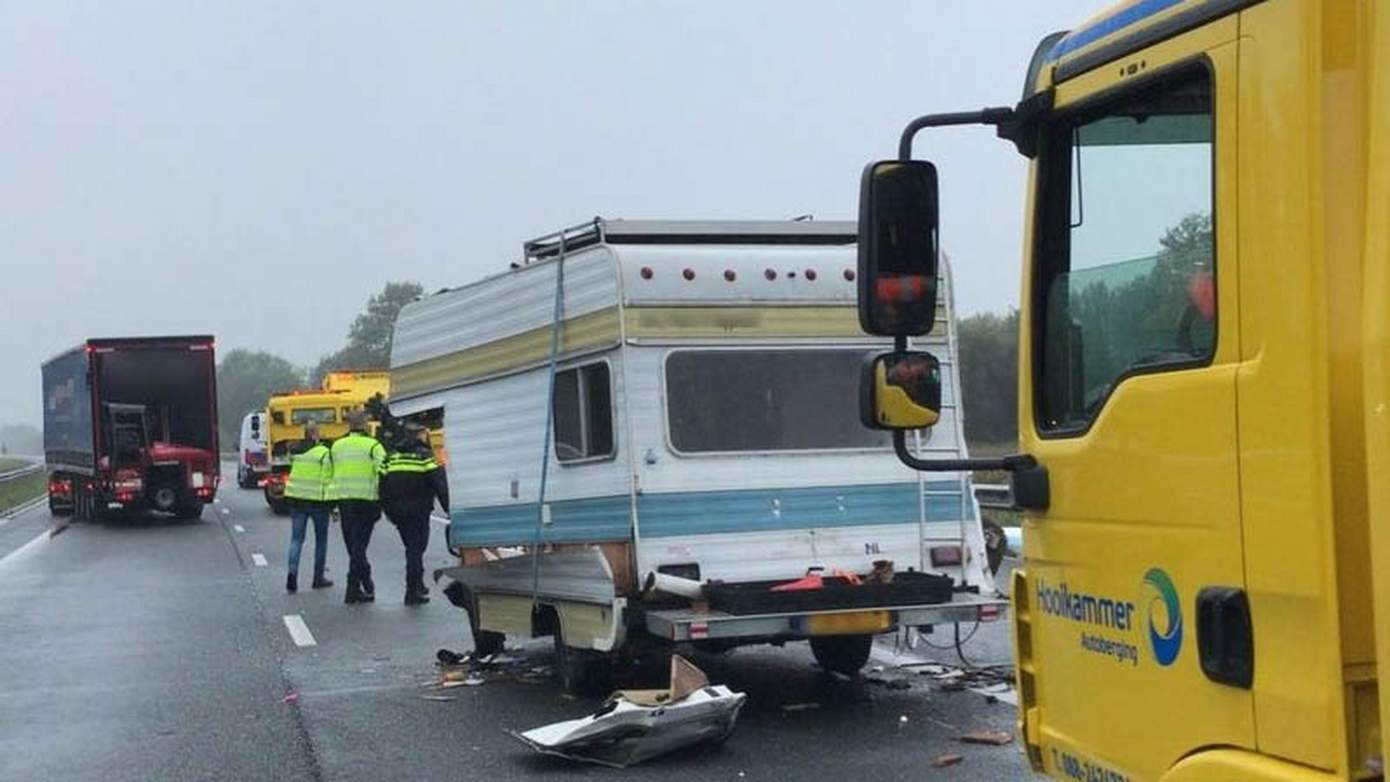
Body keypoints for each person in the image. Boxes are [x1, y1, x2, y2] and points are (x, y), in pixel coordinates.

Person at [381, 423, 450, 605]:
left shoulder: (392, 457)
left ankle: (418, 584)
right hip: (419, 510)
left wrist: (386, 508)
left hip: (397, 511)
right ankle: (412, 591)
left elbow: (381, 483)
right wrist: (449, 509)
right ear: (420, 434)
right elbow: (439, 483)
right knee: (416, 549)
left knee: (411, 548)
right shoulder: (424, 457)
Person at [330, 410, 386, 604]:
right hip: (367, 501)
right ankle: (353, 587)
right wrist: (383, 500)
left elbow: (331, 473)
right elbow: (383, 473)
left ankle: (363, 583)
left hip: (344, 501)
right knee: (359, 546)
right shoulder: (374, 446)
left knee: (353, 546)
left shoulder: (337, 446)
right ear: (365, 424)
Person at [283, 422, 334, 592]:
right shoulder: (323, 453)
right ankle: (318, 578)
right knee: (321, 540)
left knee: (296, 539)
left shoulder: (296, 453)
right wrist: (333, 505)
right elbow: (327, 480)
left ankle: (292, 574)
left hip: (296, 500)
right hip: (317, 501)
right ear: (315, 435)